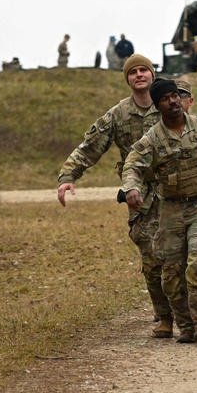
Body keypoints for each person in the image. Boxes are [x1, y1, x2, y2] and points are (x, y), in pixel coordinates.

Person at [57, 54, 172, 338]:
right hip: (139, 194)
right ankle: (165, 316)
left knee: (181, 253)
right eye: (133, 72)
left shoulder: (169, 106)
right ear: (128, 79)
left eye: (144, 70)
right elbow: (90, 147)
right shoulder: (118, 115)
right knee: (151, 256)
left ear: (152, 74)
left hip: (175, 189)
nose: (139, 75)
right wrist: (68, 177)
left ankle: (190, 311)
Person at [121, 78, 197, 344]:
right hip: (170, 209)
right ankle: (185, 326)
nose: (173, 101)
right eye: (165, 99)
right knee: (170, 272)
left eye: (175, 96)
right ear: (158, 106)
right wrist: (131, 188)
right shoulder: (152, 139)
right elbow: (132, 165)